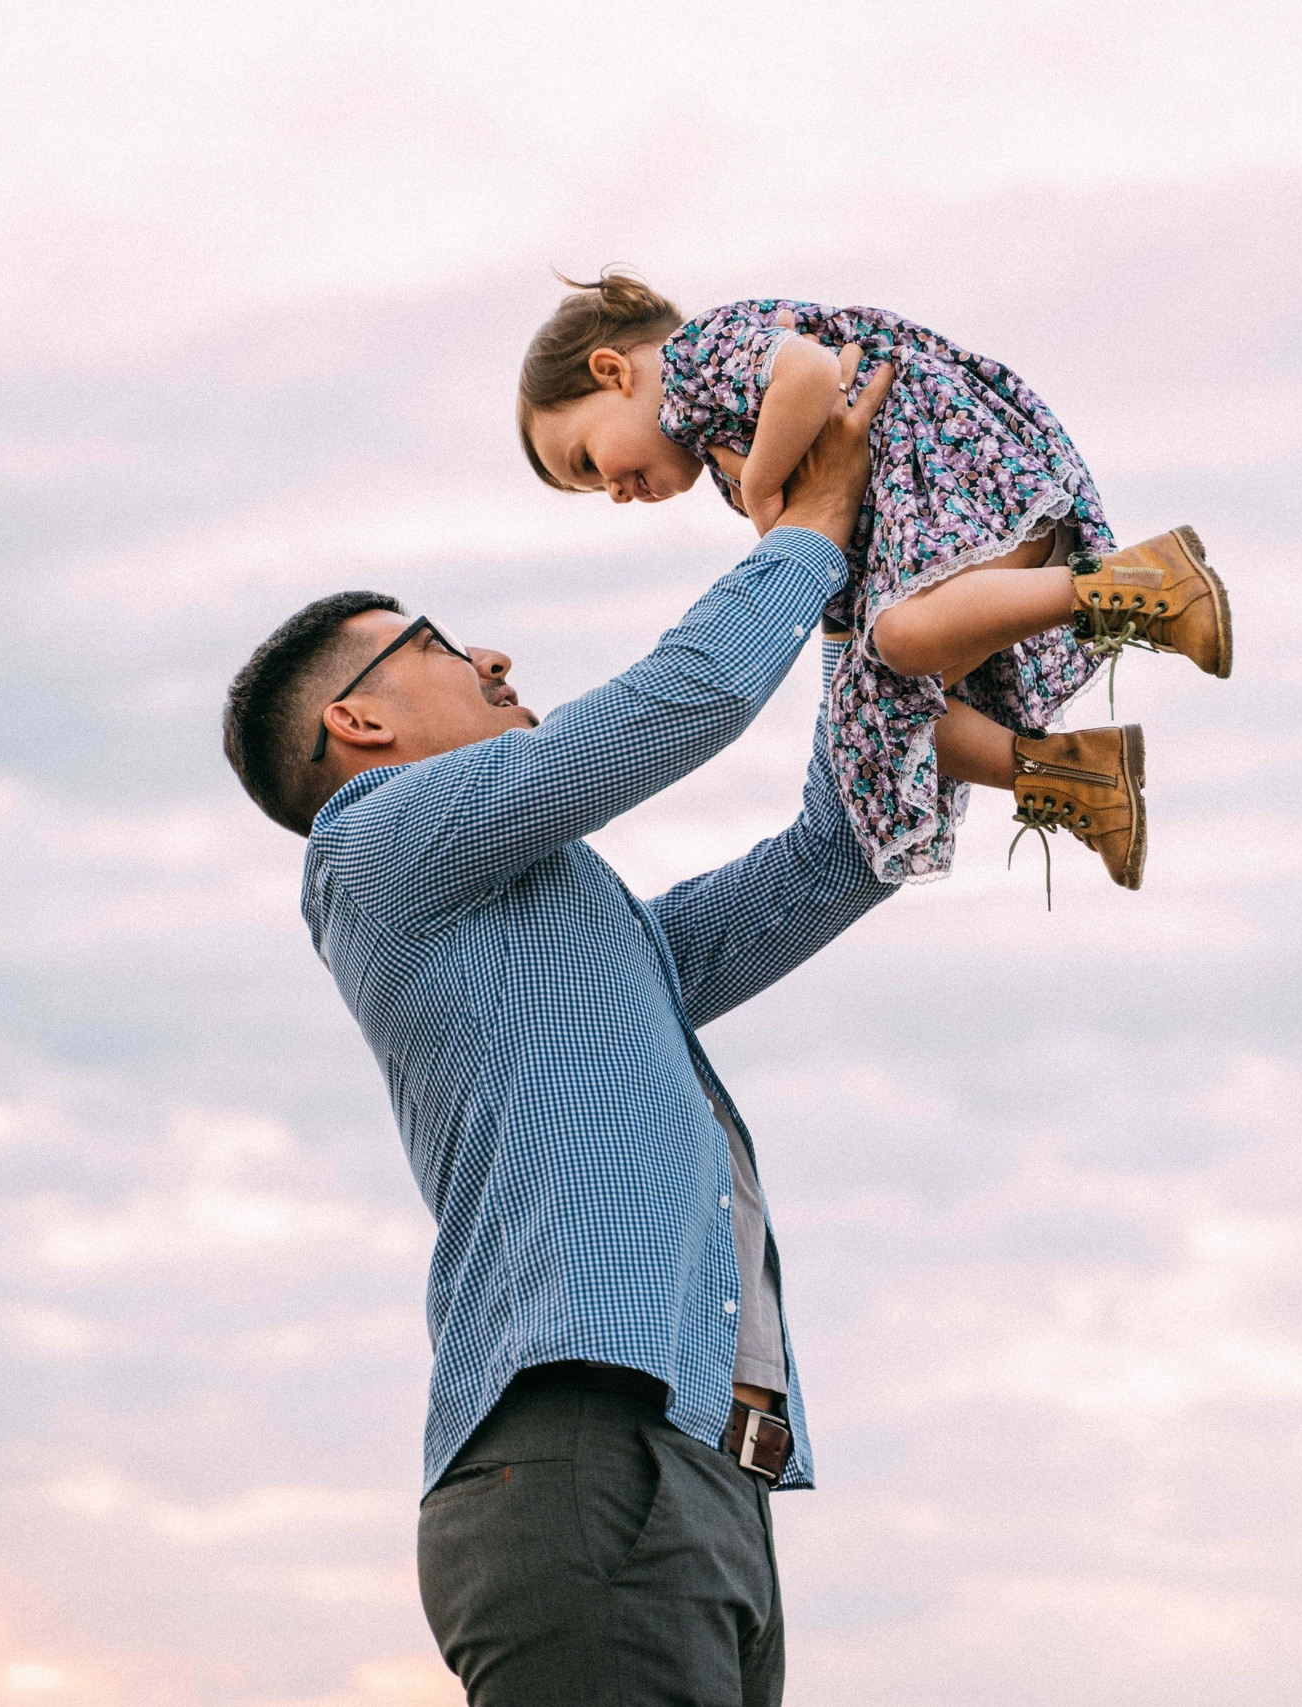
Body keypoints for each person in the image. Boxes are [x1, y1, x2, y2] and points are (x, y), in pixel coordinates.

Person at [219, 356, 897, 1706]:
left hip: (703, 1477)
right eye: (437, 641)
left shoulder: (580, 934)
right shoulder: (373, 844)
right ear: (358, 720)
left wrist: (887, 651)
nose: (491, 656)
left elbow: (832, 856)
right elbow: (684, 700)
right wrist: (811, 531)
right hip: (588, 1459)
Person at [514, 270, 1237, 894]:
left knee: (901, 637)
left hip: (958, 477)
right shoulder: (720, 437)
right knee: (869, 715)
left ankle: (1143, 584)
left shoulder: (696, 358)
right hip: (929, 520)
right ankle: (1079, 776)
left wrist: (763, 490)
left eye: (587, 463)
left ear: (613, 372)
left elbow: (808, 373)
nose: (612, 493)